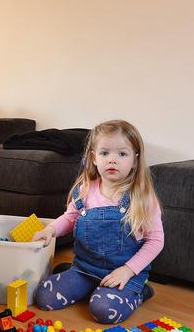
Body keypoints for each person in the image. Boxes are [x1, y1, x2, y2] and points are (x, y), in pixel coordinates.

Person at [32, 120, 164, 324]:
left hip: (124, 272)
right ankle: (88, 285)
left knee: (103, 310)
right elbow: (69, 218)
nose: (112, 160)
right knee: (43, 297)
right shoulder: (85, 190)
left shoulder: (142, 197)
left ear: (135, 160)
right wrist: (50, 230)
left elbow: (155, 241)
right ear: (93, 158)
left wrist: (128, 270)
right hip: (84, 268)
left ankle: (139, 291)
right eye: (104, 153)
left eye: (122, 154)